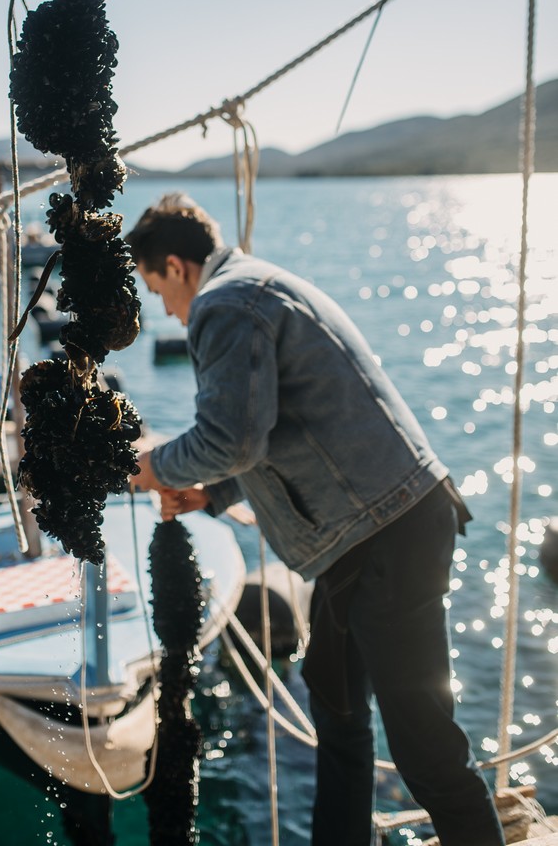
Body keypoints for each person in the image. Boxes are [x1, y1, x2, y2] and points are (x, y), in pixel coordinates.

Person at [127, 193, 504, 846]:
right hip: (369, 534)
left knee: (424, 746)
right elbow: (274, 428)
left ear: (177, 268)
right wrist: (212, 495)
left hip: (381, 536)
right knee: (334, 706)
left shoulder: (224, 304)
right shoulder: (257, 285)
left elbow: (233, 439)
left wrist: (154, 467)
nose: (163, 309)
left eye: (157, 290)